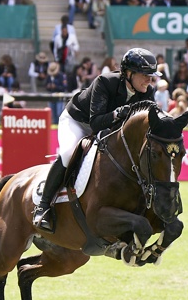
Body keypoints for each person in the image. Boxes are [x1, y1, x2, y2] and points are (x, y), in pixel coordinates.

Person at [32, 47, 158, 232]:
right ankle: (42, 207)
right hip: (78, 121)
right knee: (68, 154)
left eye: (151, 75)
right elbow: (96, 122)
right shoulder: (105, 82)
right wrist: (117, 113)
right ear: (129, 73)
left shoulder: (147, 92)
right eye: (145, 74)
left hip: (109, 127)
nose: (149, 79)